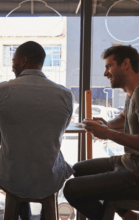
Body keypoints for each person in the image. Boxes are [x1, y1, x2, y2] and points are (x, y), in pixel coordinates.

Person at [0, 41, 74, 220]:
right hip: (48, 176)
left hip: (12, 175)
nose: (12, 65)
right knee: (50, 161)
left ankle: (23, 213)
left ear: (23, 61)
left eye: (13, 61)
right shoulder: (65, 94)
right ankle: (47, 214)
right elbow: (59, 132)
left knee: (18, 162)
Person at [63, 45, 139, 220]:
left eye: (108, 66)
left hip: (136, 172)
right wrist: (108, 125)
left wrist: (107, 133)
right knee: (79, 169)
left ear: (126, 63)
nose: (105, 73)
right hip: (128, 162)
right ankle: (129, 217)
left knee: (71, 189)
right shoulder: (131, 91)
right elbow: (123, 118)